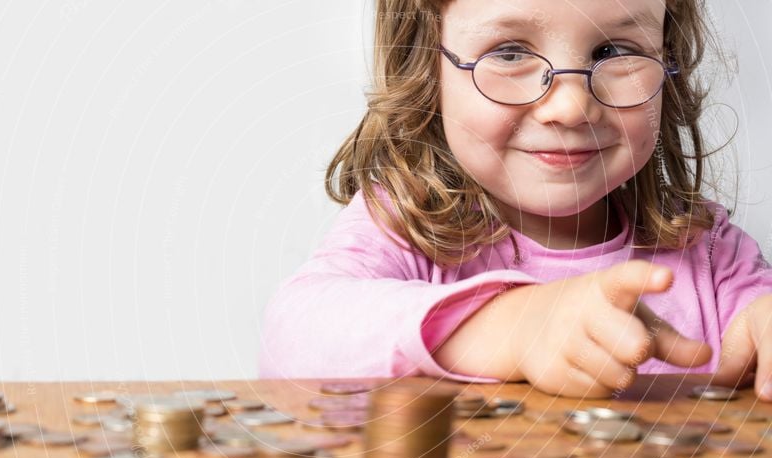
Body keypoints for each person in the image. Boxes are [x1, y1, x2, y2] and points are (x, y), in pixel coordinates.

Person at [259, 0, 772, 401]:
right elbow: (291, 338)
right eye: (509, 52)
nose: (570, 107)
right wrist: (509, 327)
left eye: (615, 52)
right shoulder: (402, 230)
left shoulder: (710, 251)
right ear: (424, 70)